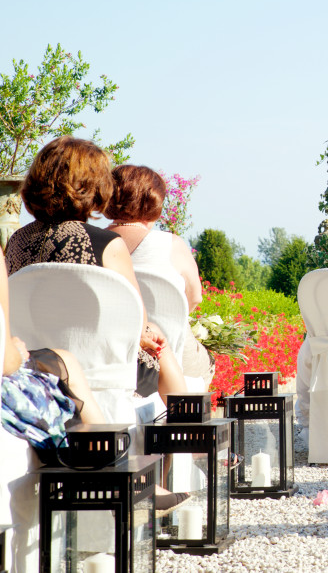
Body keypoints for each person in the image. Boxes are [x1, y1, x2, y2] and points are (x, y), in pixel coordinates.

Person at [4, 137, 188, 407]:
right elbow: (137, 322)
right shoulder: (107, 244)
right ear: (95, 186)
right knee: (159, 339)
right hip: (103, 373)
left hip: (38, 366)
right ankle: (185, 426)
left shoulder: (16, 241)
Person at [105, 164, 213, 388]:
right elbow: (193, 300)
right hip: (168, 353)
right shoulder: (171, 245)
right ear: (154, 202)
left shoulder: (90, 242)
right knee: (207, 362)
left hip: (110, 358)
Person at [2, 245, 107, 449]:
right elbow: (6, 363)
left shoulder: (18, 241)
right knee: (64, 361)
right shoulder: (105, 243)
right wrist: (14, 350)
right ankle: (103, 462)